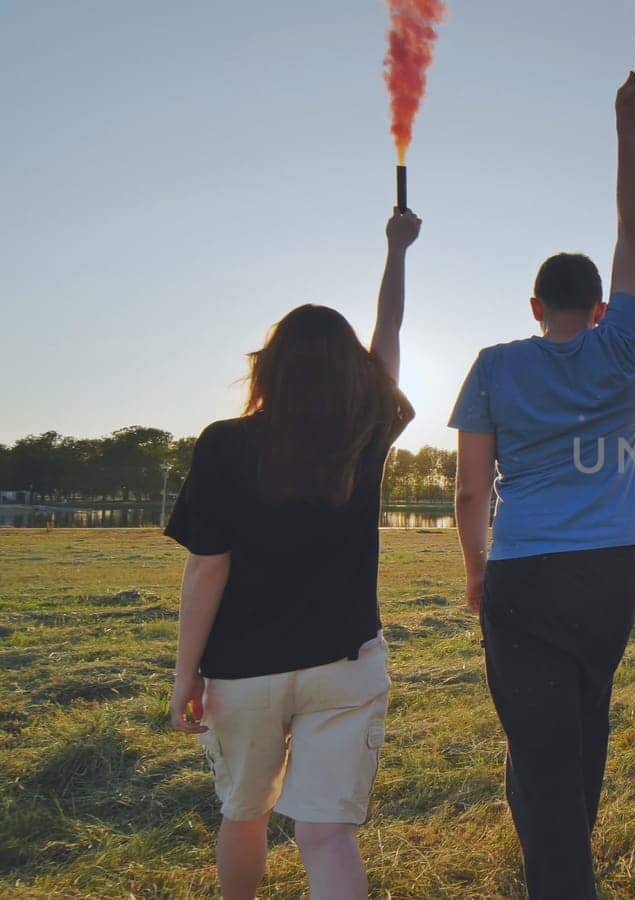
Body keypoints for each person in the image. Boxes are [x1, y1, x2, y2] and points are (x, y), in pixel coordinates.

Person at [166, 209, 421, 900]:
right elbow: (388, 339)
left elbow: (206, 569)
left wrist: (185, 674)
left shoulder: (224, 443)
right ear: (353, 375)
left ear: (269, 368)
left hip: (243, 675)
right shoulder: (364, 437)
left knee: (242, 816)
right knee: (326, 836)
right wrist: (397, 252)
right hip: (344, 665)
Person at [449, 75, 635, 899]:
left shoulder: (495, 366)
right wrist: (627, 129)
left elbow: (469, 492)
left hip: (525, 570)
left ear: (536, 306)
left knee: (537, 748)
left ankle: (564, 881)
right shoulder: (622, 347)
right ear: (601, 306)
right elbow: (632, 229)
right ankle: (568, 861)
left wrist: (474, 571)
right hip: (610, 571)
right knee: (584, 718)